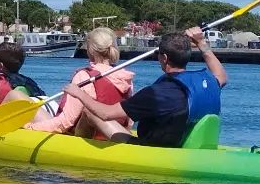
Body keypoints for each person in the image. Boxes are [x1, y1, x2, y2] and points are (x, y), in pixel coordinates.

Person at [64, 26, 227, 146]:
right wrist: (202, 43)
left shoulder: (156, 94)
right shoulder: (207, 83)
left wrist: (78, 93)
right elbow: (222, 76)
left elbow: (105, 114)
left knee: (90, 112)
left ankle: (75, 147)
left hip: (149, 148)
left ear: (163, 58)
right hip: (184, 144)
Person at [26, 27, 134, 137]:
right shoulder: (125, 77)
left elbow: (66, 122)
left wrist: (31, 127)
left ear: (90, 50)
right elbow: (129, 121)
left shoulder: (84, 77)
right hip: (115, 136)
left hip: (83, 138)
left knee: (19, 98)